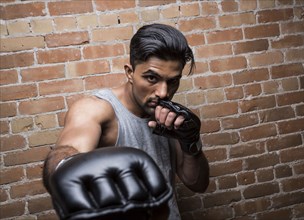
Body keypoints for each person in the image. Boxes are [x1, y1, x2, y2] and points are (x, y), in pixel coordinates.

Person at [43, 23, 209, 220]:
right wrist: (64, 166)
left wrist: (191, 142)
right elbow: (66, 152)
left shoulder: (169, 117)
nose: (163, 92)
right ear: (130, 72)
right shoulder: (97, 109)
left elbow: (197, 183)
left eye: (172, 81)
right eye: (151, 78)